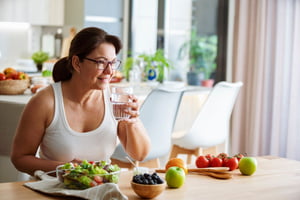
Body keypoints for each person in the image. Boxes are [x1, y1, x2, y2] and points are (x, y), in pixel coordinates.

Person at [11, 27, 151, 176]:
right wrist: (65, 169)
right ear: (77, 63)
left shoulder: (117, 100)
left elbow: (140, 155)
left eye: (113, 63)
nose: (110, 71)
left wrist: (133, 122)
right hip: (53, 190)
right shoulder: (45, 102)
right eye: (101, 63)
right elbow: (20, 158)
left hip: (101, 190)